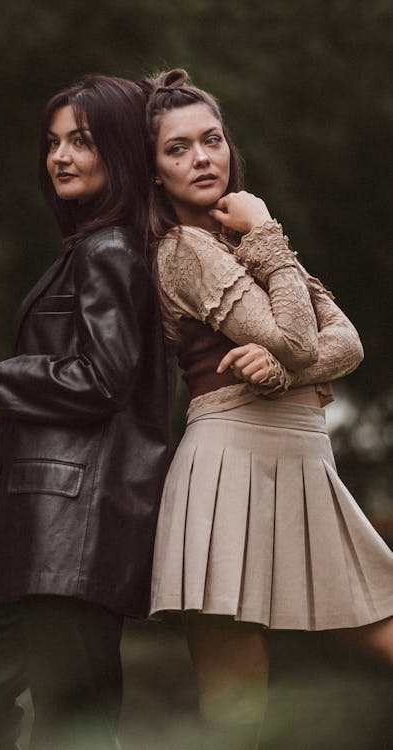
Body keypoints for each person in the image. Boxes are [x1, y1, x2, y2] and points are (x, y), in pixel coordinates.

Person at [142, 69, 393, 749]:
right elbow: (296, 331)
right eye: (178, 148)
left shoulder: (247, 239)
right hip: (229, 458)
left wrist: (284, 362)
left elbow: (347, 342)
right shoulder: (183, 249)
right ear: (154, 171)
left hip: (306, 457)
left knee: (380, 621)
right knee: (235, 704)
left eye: (213, 139)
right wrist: (269, 237)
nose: (203, 157)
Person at [0, 75, 170, 750]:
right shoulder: (96, 247)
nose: (60, 156)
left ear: (121, 152)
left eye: (83, 141)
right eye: (53, 141)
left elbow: (103, 377)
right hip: (50, 536)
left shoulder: (111, 250)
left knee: (66, 723)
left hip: (74, 533)